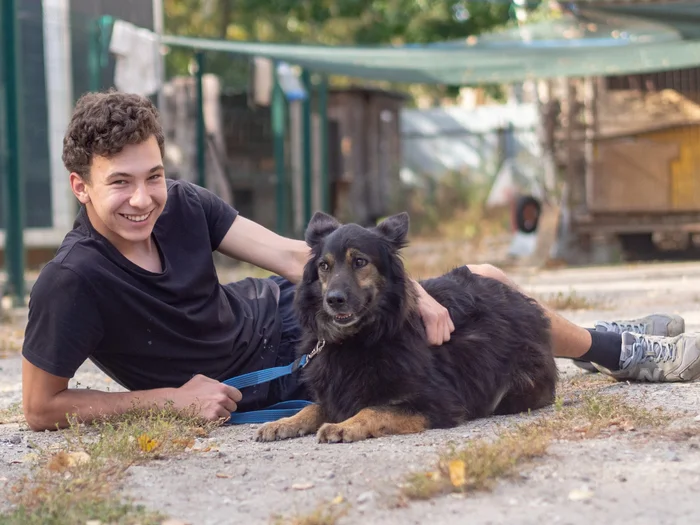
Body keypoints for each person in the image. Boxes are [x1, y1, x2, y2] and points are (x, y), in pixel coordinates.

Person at [20, 91, 700, 432]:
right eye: (120, 183)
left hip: (302, 312)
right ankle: (617, 348)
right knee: (481, 303)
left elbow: (295, 255)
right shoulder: (72, 280)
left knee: (477, 283)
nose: (144, 199)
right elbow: (41, 406)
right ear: (81, 186)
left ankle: (613, 347)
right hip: (271, 370)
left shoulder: (185, 205)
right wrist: (172, 397)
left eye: (154, 175)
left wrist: (417, 295)